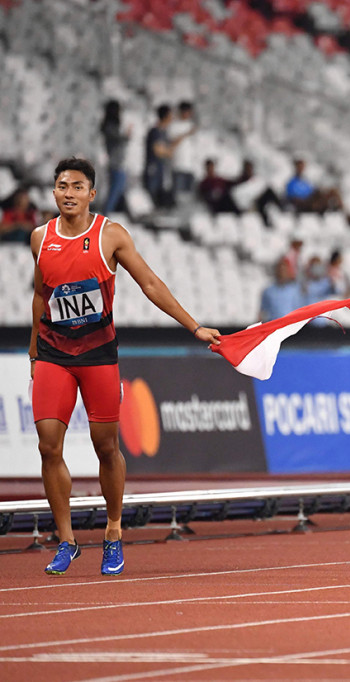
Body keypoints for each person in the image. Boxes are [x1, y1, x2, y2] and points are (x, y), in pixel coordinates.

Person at [29, 157, 220, 576]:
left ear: (92, 193)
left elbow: (150, 284)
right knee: (47, 445)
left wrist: (194, 326)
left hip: (98, 355)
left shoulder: (110, 235)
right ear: (54, 191)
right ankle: (66, 540)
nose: (68, 193)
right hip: (53, 354)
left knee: (106, 447)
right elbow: (42, 296)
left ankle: (113, 532)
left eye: (77, 186)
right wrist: (32, 352)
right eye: (62, 186)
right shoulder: (40, 238)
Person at [99, 100, 131, 216]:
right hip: (115, 162)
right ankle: (106, 214)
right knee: (114, 191)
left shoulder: (113, 126)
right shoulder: (110, 127)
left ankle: (112, 213)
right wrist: (127, 136)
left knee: (119, 189)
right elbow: (119, 140)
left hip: (118, 162)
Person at [169, 101, 199, 198]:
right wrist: (186, 134)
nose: (188, 114)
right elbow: (172, 143)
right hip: (178, 165)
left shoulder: (191, 125)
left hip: (190, 166)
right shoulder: (174, 125)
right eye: (186, 111)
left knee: (189, 197)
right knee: (178, 195)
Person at [260, 257, 304, 322]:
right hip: (273, 326)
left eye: (284, 270)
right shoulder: (268, 291)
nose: (282, 273)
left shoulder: (294, 290)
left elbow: (299, 309)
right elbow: (263, 311)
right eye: (280, 270)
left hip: (290, 326)